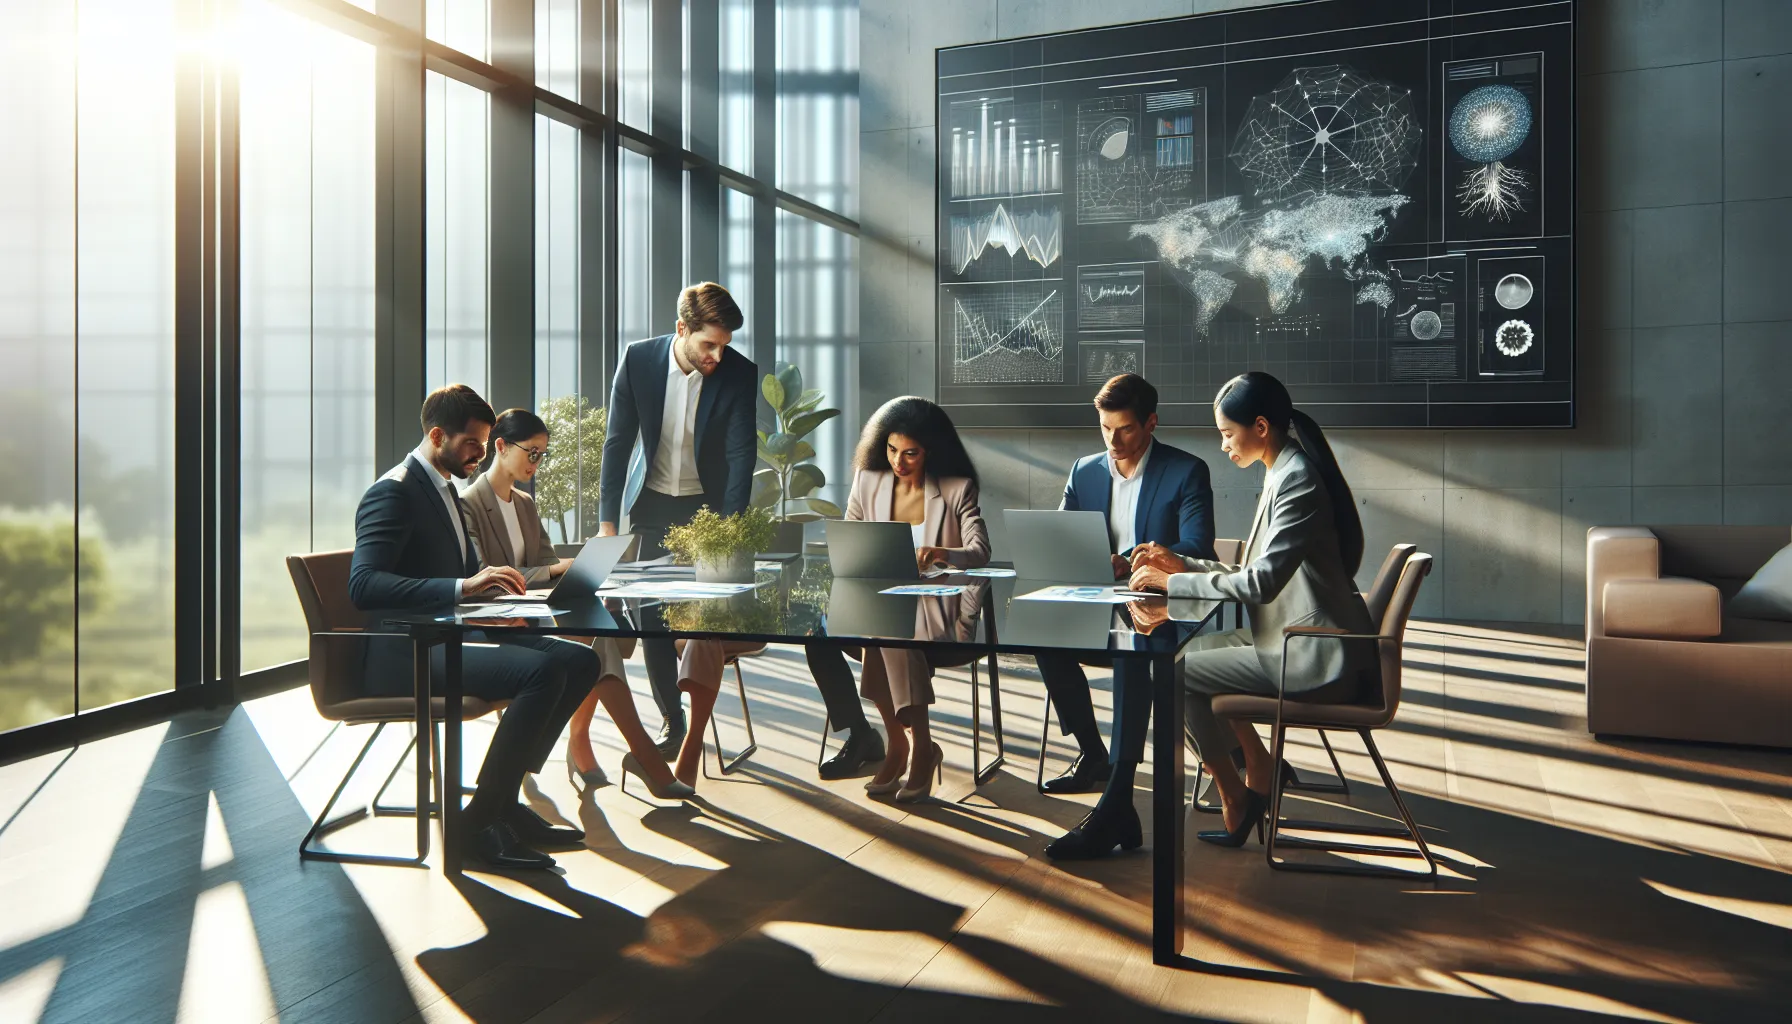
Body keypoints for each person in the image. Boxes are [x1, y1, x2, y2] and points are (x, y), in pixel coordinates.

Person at [1046, 371, 1376, 859]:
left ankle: (1233, 790)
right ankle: (1251, 770)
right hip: (1292, 638)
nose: (1223, 446)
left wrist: (1173, 582)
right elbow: (1252, 569)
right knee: (1179, 659)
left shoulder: (1296, 480)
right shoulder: (1285, 469)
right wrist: (1183, 564)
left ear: (1260, 426)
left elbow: (1260, 585)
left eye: (1227, 433)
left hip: (1310, 653)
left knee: (1171, 672)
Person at [348, 385, 598, 871]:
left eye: (485, 442)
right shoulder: (394, 491)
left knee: (578, 659)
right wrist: (462, 588)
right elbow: (364, 585)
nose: (481, 453)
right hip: (406, 654)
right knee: (541, 673)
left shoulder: (445, 491)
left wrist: (493, 592)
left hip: (451, 637)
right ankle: (479, 823)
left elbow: (465, 575)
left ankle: (501, 803)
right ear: (437, 435)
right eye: (471, 443)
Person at [460, 408, 691, 799]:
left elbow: (548, 563)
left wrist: (578, 566)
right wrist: (552, 572)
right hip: (497, 624)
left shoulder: (525, 504)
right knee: (595, 639)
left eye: (542, 454)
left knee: (595, 635)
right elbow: (486, 577)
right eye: (531, 452)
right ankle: (631, 755)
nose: (537, 462)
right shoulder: (469, 504)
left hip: (537, 616)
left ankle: (598, 746)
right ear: (500, 446)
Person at [598, 283, 757, 759]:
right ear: (681, 330)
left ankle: (694, 716)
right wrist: (609, 524)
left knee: (698, 613)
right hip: (652, 502)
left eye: (724, 345)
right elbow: (617, 442)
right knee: (650, 614)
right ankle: (672, 718)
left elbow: (740, 456)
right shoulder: (639, 360)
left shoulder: (738, 373)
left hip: (707, 506)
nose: (717, 355)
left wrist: (725, 532)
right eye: (709, 344)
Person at [1034, 373, 1214, 796]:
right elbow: (1063, 535)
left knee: (1134, 645)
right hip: (1100, 606)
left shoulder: (1186, 471)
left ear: (1151, 422)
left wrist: (1130, 557)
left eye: (1125, 429)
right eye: (1105, 428)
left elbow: (1196, 546)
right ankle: (1093, 754)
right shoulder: (1085, 471)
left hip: (1164, 611)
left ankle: (1121, 779)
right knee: (1044, 640)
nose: (1112, 442)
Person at [806, 396, 990, 800]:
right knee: (882, 629)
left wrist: (943, 553)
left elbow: (980, 551)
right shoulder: (868, 482)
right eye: (891, 449)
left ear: (931, 451)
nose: (898, 462)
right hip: (882, 603)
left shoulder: (957, 489)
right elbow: (853, 540)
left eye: (911, 453)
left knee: (888, 633)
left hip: (939, 609)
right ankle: (909, 744)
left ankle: (912, 746)